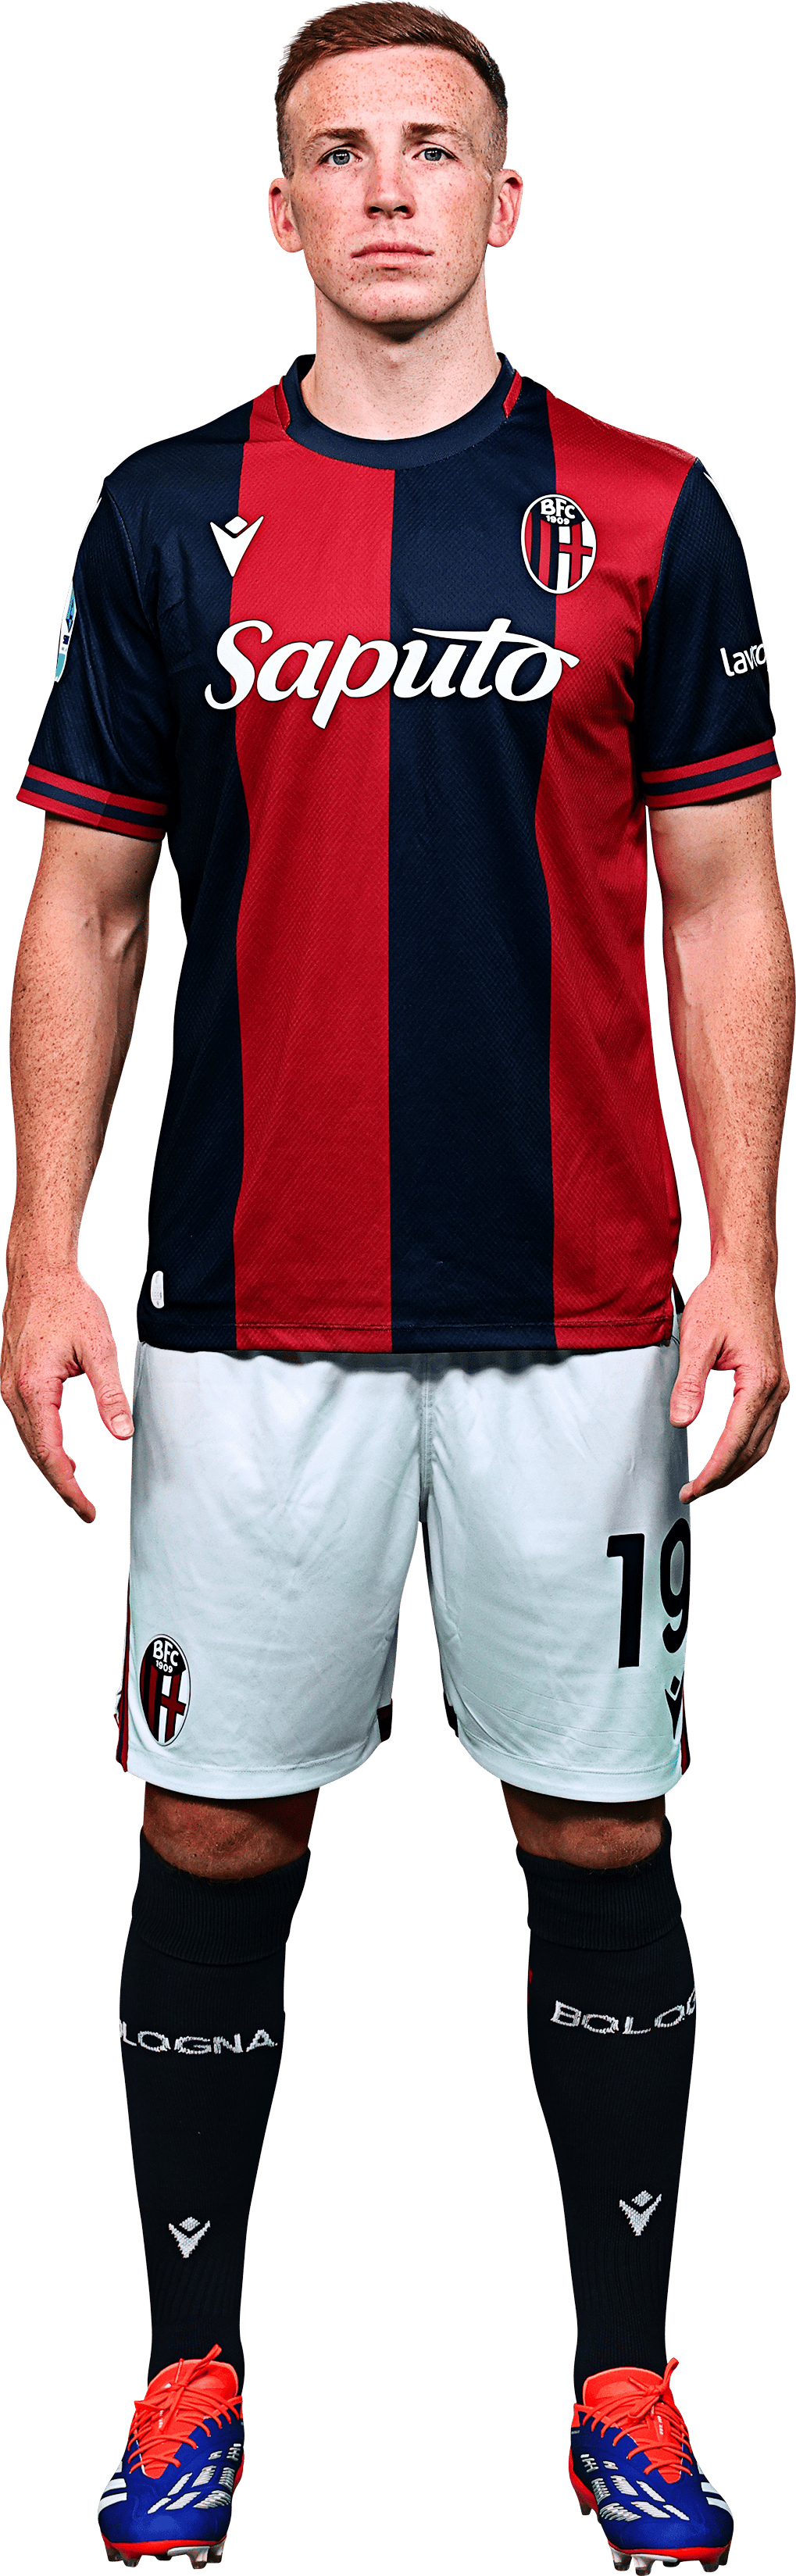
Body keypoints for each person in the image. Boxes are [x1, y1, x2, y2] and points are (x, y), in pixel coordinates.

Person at [3, 3, 791, 2565]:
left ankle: (628, 2382)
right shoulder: (169, 513)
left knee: (601, 1819)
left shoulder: (650, 506)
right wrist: (38, 1254)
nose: (384, 189)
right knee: (214, 1824)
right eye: (336, 152)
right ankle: (187, 2373)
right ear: (280, 213)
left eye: (433, 149)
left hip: (585, 1305)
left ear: (504, 203)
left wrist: (747, 1249)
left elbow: (721, 898)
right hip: (243, 1308)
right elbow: (89, 901)